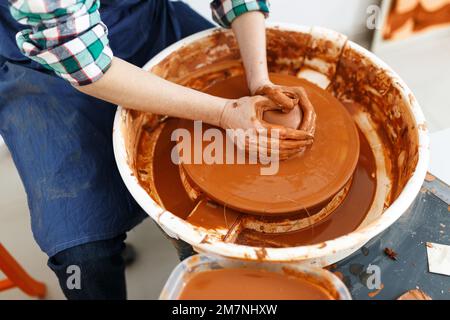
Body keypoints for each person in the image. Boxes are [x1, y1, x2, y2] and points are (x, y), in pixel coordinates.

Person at [0, 0, 314, 299]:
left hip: (145, 24)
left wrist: (259, 82)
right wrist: (224, 112)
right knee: (83, 255)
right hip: (46, 74)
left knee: (254, 207)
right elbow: (86, 66)